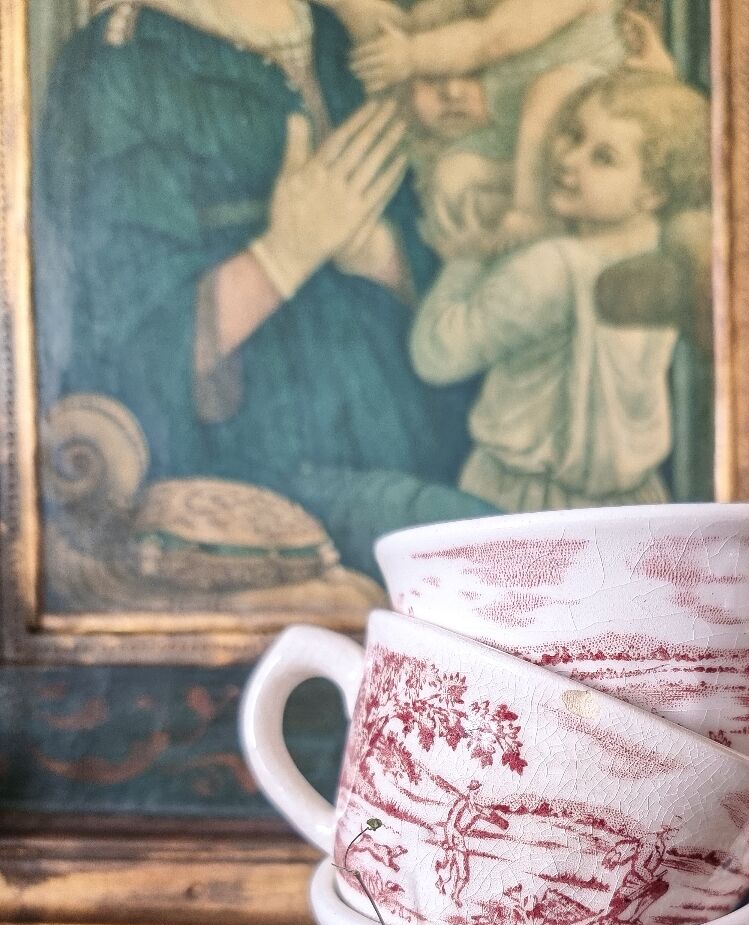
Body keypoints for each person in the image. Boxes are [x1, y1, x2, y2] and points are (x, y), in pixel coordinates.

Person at [34, 0, 492, 581]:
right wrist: (283, 256)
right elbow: (119, 353)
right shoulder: (120, 62)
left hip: (427, 428)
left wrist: (383, 256)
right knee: (484, 555)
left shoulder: (346, 40)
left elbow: (456, 267)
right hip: (261, 475)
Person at [409, 70, 710, 512]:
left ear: (653, 190)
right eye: (573, 136)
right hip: (636, 508)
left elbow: (436, 355)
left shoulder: (551, 269)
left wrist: (466, 258)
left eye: (603, 157)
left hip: (522, 506)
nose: (570, 160)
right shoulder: (665, 256)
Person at [345, 0, 627, 252]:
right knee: (451, 178)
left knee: (547, 90)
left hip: (585, 107)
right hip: (515, 126)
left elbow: (491, 38)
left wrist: (411, 54)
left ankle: (532, 212)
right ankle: (498, 237)